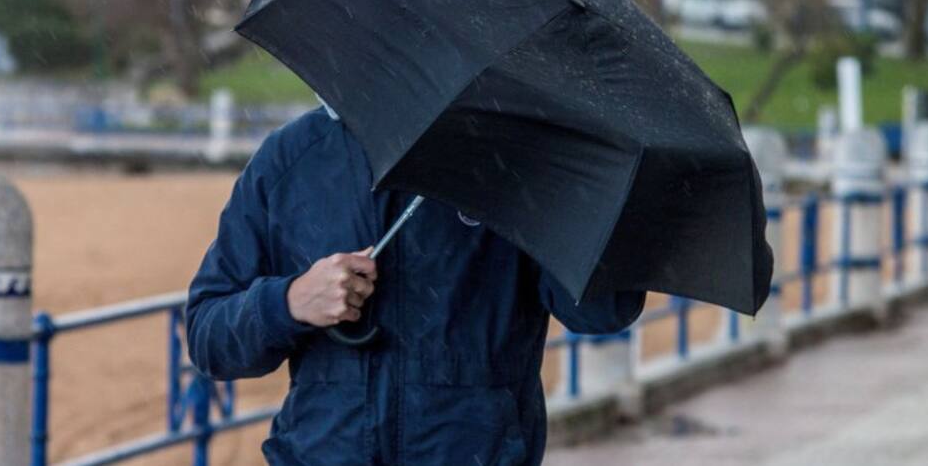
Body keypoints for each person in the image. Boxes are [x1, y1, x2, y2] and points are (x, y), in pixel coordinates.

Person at [186, 104, 646, 465]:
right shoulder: (290, 160)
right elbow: (208, 336)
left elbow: (602, 312)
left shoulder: (517, 165)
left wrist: (580, 187)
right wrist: (288, 302)